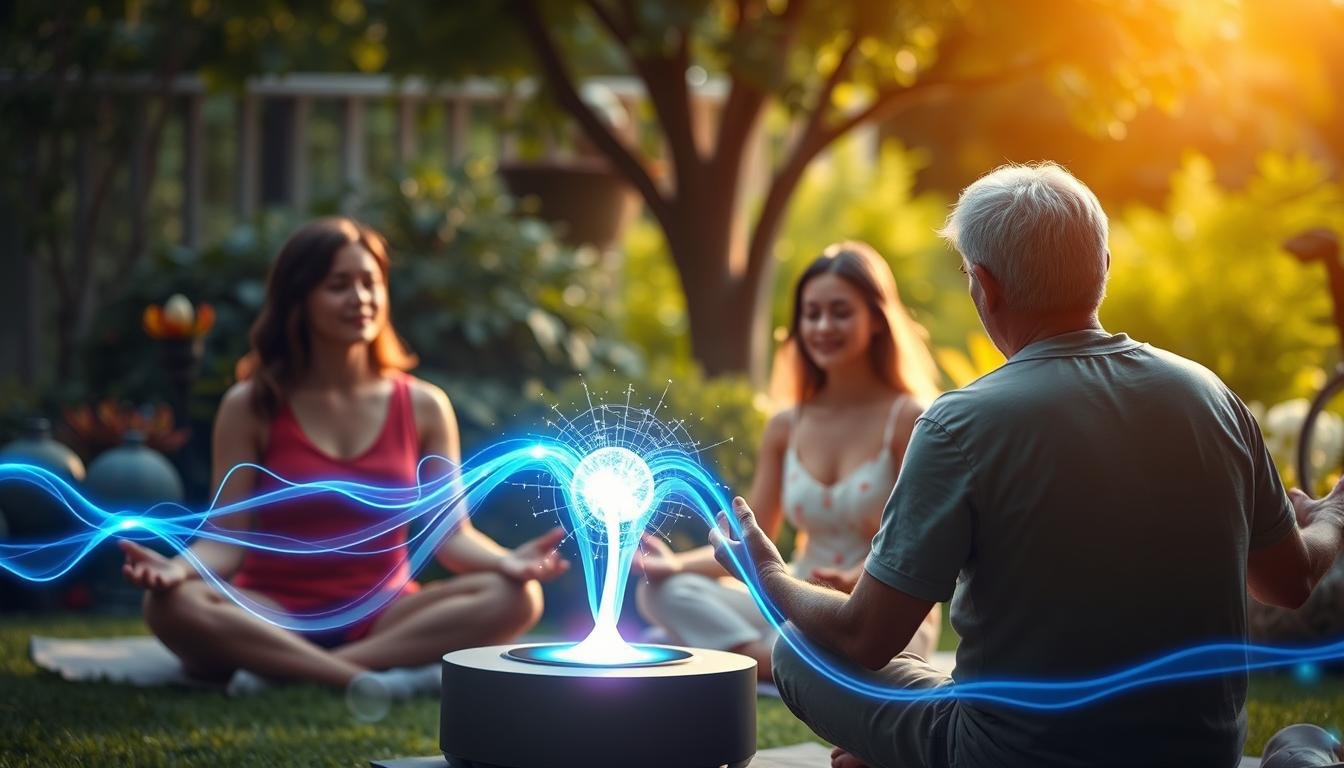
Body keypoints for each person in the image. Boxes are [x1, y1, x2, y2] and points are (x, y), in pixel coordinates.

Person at [711, 163, 1344, 767]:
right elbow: (1286, 583)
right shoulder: (1210, 397)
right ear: (1102, 266)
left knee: (798, 648)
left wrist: (765, 569)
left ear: (983, 285)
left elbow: (864, 637)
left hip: (1006, 755)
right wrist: (1333, 517)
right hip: (1197, 755)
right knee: (1304, 736)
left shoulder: (960, 423)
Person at [119, 217, 569, 698]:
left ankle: (297, 671)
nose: (360, 299)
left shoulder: (423, 405)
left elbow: (452, 538)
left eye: (370, 283)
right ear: (299, 298)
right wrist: (177, 570)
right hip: (272, 612)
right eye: (339, 285)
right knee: (168, 605)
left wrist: (509, 561)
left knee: (517, 597)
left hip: (387, 615)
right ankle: (371, 681)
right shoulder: (250, 404)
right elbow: (224, 542)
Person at [636, 242, 942, 682]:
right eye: (811, 313)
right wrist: (675, 565)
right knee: (661, 591)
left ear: (876, 319)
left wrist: (856, 578)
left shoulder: (909, 419)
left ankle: (743, 658)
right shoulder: (785, 424)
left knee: (870, 647)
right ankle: (786, 664)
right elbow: (755, 538)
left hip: (880, 608)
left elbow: (918, 543)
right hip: (798, 599)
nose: (822, 326)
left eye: (840, 312)